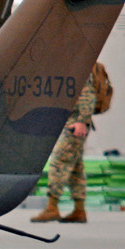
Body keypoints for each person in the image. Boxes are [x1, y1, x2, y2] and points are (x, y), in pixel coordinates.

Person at [32, 63, 99, 224]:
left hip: (74, 125)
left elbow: (87, 94)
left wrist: (82, 121)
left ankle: (52, 207)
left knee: (59, 162)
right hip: (69, 122)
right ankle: (79, 209)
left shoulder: (77, 65)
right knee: (76, 168)